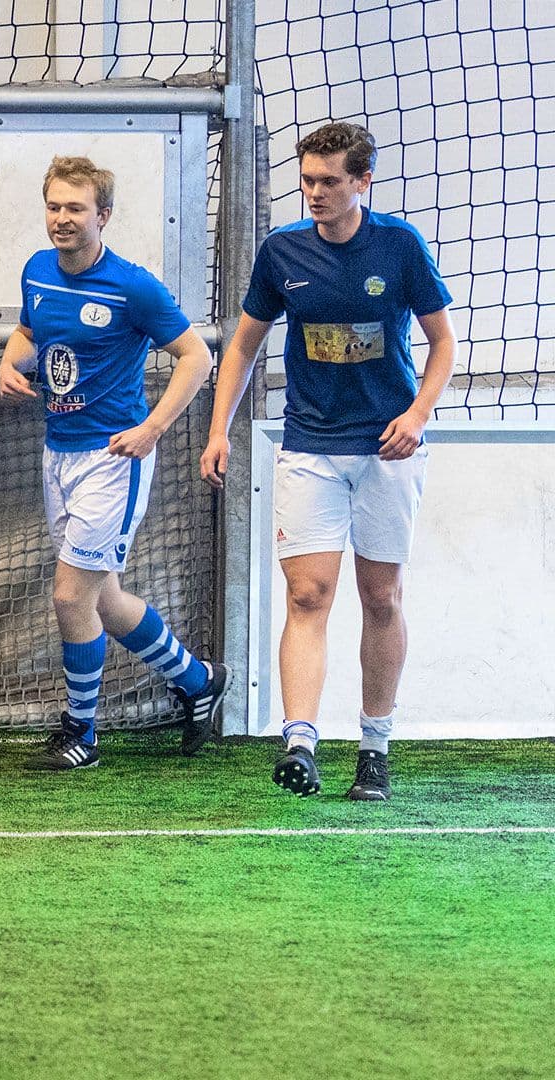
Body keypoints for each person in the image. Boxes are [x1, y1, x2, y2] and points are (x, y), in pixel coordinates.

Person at [201, 122, 456, 801]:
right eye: (307, 179)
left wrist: (417, 414)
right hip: (309, 447)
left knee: (381, 597)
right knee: (308, 595)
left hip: (387, 451)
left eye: (329, 181)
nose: (314, 192)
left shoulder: (399, 247)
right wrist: (218, 430)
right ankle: (301, 744)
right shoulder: (281, 252)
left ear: (362, 181)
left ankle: (375, 747)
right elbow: (245, 346)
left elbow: (443, 344)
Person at [0, 156, 228, 771]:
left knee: (71, 596)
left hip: (113, 459)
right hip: (57, 452)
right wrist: (7, 361)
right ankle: (200, 682)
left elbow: (197, 358)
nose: (62, 219)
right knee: (105, 600)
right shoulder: (38, 270)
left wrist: (152, 429)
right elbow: (27, 332)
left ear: (103, 215)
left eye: (76, 208)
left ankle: (82, 732)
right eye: (54, 206)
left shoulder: (134, 287)